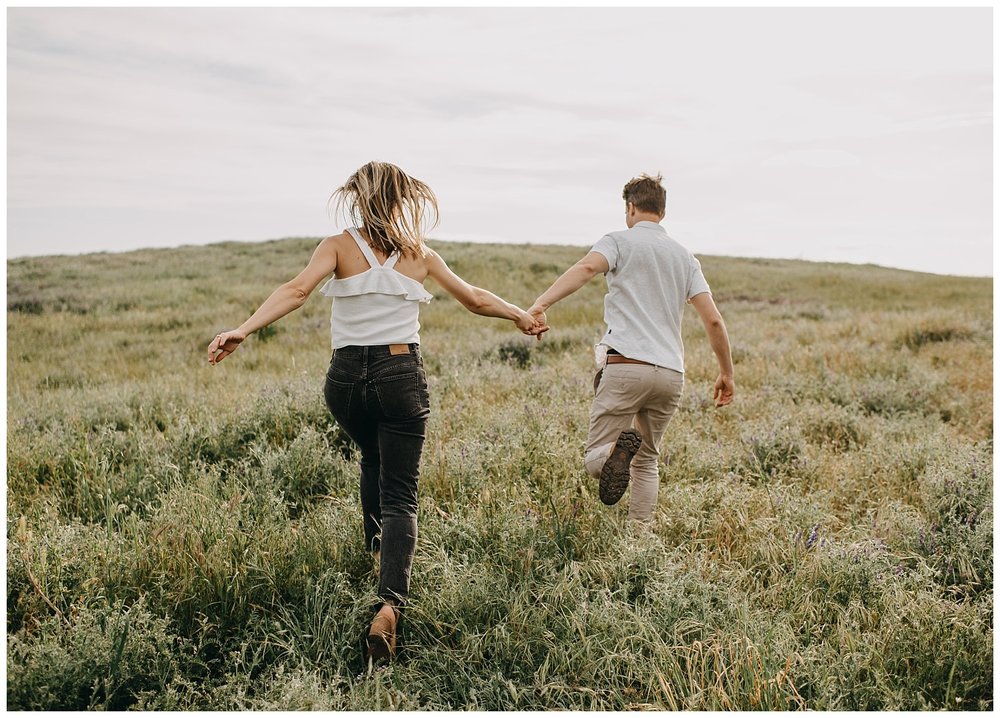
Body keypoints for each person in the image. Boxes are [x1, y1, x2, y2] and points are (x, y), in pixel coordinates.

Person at [207, 160, 544, 663]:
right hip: (399, 373)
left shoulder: (338, 246)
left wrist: (244, 328)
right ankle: (389, 605)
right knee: (401, 494)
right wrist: (519, 313)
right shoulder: (419, 255)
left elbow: (296, 291)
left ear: (360, 199)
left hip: (344, 382)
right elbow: (473, 299)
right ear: (402, 200)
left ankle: (373, 551)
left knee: (371, 457)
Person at [528, 173, 734, 522]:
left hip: (626, 365)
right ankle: (640, 544)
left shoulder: (618, 241)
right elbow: (713, 320)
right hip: (670, 374)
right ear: (662, 213)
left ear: (630, 207)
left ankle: (613, 455)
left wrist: (541, 304)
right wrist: (726, 373)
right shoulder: (686, 258)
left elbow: (587, 268)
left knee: (597, 454)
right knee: (648, 458)